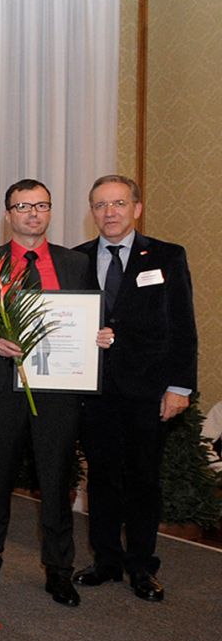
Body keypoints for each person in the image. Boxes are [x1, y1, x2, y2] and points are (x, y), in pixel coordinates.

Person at [0, 178, 102, 607]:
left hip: (57, 391)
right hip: (3, 387)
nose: (32, 214)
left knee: (56, 484)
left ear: (50, 211)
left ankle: (58, 571)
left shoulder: (74, 263)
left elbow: (92, 315)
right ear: (8, 215)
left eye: (41, 205)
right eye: (23, 206)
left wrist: (100, 335)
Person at [73, 174, 196, 602]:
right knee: (101, 478)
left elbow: (183, 326)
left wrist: (180, 387)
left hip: (148, 391)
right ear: (92, 211)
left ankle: (142, 565)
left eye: (119, 204)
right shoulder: (78, 259)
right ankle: (106, 560)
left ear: (136, 208)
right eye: (101, 205)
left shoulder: (167, 256)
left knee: (143, 480)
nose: (109, 212)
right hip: (95, 390)